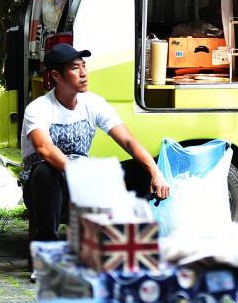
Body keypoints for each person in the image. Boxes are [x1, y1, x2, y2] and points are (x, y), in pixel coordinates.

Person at [21, 43, 170, 241]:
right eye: (75, 68)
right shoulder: (39, 108)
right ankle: (49, 251)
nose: (83, 73)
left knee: (142, 169)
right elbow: (45, 149)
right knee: (46, 170)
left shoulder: (94, 103)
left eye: (84, 66)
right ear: (56, 76)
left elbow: (128, 141)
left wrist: (155, 171)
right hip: (46, 191)